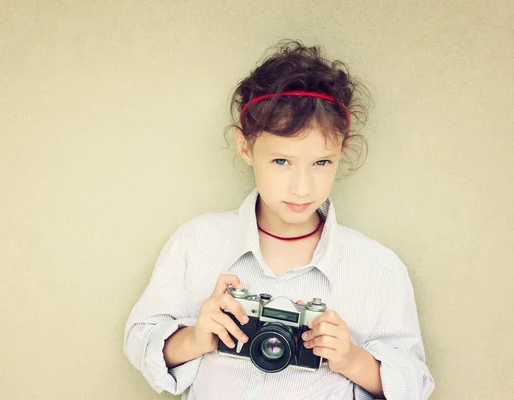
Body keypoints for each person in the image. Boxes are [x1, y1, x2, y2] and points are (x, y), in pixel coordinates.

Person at [123, 40, 435, 400]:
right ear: (245, 147)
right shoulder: (197, 242)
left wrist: (351, 359)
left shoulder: (379, 269)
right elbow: (139, 338)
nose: (302, 187)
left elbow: (415, 386)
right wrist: (194, 337)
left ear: (342, 151)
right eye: (281, 161)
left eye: (321, 163)